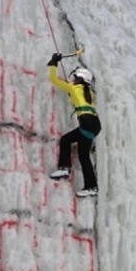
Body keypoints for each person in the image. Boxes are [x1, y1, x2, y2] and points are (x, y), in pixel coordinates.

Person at [47, 52, 101, 197]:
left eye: (75, 77)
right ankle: (67, 170)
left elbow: (53, 79)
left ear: (80, 79)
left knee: (81, 153)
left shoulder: (75, 88)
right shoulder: (89, 92)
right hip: (93, 124)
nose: (73, 79)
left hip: (87, 123)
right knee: (69, 142)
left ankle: (89, 184)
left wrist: (54, 63)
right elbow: (78, 97)